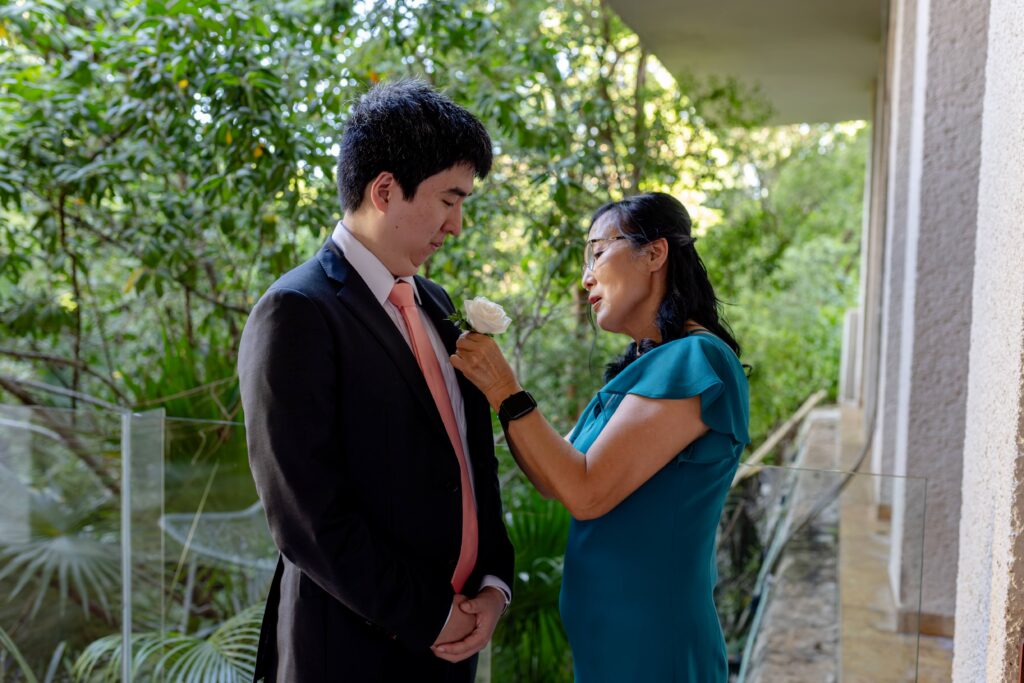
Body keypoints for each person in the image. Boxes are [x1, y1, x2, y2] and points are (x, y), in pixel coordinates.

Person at [238, 80, 514, 683]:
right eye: (449, 199)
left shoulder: (438, 304)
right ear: (385, 189)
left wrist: (493, 584)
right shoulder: (296, 311)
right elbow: (305, 515)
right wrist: (431, 614)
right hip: (348, 651)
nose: (458, 225)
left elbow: (473, 463)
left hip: (452, 649)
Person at [450, 192, 750, 681]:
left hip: (655, 644)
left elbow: (585, 493)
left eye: (597, 253)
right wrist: (491, 390)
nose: (586, 276)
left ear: (655, 254)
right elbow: (555, 479)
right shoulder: (640, 368)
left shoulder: (696, 360)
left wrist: (505, 388)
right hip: (611, 642)